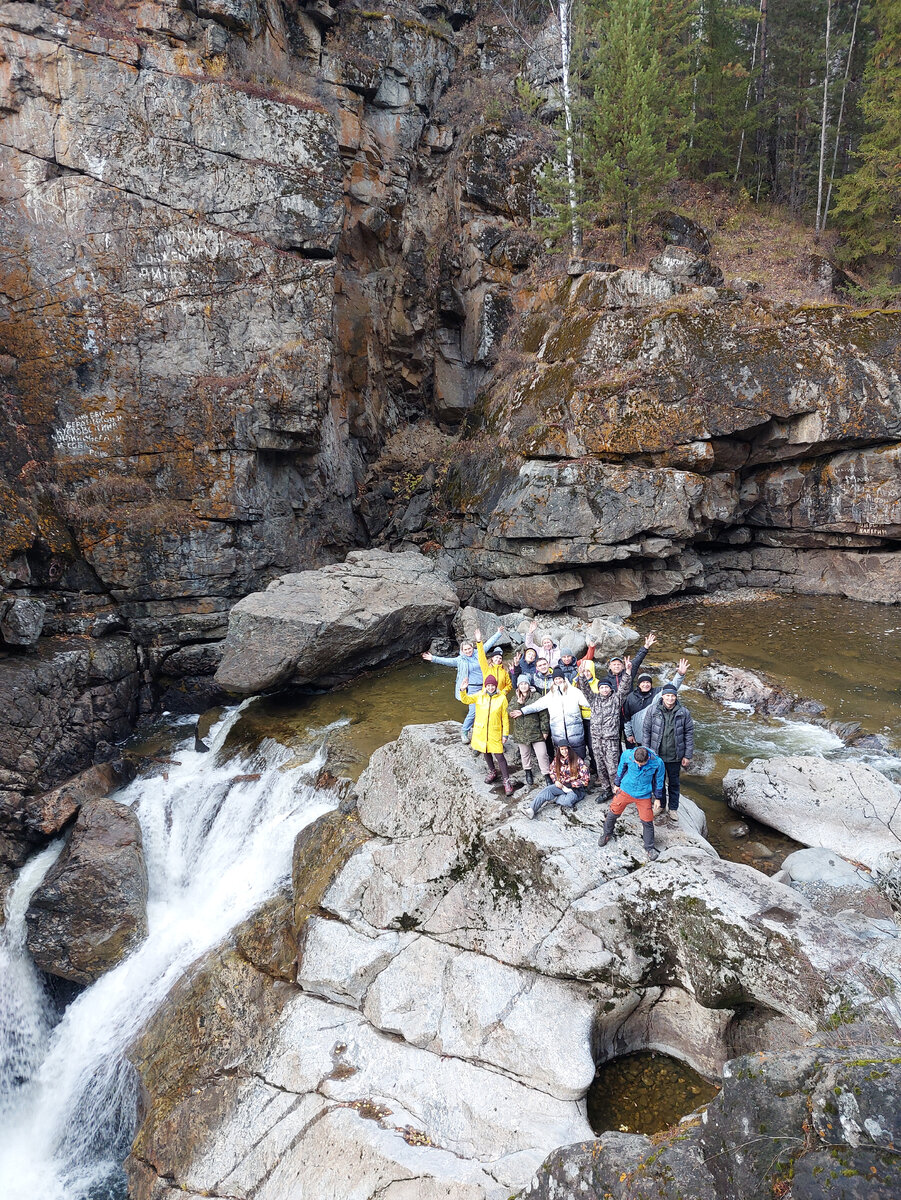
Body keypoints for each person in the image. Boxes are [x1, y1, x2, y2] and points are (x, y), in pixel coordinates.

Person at [423, 628, 503, 743]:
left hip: (485, 686)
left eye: (469, 648)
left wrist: (499, 633)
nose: (468, 651)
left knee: (489, 709)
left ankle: (485, 732)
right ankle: (465, 731)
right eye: (465, 650)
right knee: (474, 711)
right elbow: (447, 661)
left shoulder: (479, 653)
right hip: (471, 688)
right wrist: (433, 658)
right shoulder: (460, 660)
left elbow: (489, 643)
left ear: (472, 648)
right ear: (462, 650)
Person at [599, 745, 665, 861]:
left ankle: (649, 847)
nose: (639, 765)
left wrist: (658, 798)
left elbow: (659, 781)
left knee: (647, 821)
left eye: (642, 764)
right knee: (613, 813)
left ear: (648, 759)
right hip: (626, 789)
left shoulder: (658, 763)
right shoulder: (627, 755)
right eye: (637, 763)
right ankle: (606, 834)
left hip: (644, 794)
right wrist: (617, 784)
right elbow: (621, 769)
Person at [579, 667, 635, 803]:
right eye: (602, 687)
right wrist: (581, 676)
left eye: (606, 687)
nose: (604, 689)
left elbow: (624, 688)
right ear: (599, 689)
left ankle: (617, 789)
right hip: (597, 739)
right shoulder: (594, 700)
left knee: (612, 767)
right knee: (600, 766)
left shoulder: (616, 699)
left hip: (611, 740)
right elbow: (585, 689)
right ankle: (606, 790)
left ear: (610, 689)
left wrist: (627, 673)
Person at [641, 684, 694, 826]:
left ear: (676, 697)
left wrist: (687, 755)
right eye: (667, 695)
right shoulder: (653, 710)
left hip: (675, 755)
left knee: (674, 783)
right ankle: (661, 805)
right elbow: (646, 731)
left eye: (673, 696)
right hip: (656, 755)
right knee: (658, 782)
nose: (670, 698)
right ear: (663, 696)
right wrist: (646, 752)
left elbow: (689, 735)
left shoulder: (683, 712)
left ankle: (673, 808)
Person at [511, 666, 587, 760]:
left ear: (563, 678)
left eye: (560, 678)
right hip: (558, 734)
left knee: (579, 757)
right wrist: (522, 711)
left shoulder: (575, 692)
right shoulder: (551, 694)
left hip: (575, 732)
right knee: (562, 758)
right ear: (554, 680)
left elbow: (588, 703)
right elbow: (536, 706)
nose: (558, 681)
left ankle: (581, 773)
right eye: (556, 679)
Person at [459, 673, 514, 796]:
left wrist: (505, 734)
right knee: (485, 751)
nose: (490, 688)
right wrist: (463, 690)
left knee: (499, 756)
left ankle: (506, 781)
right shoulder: (479, 696)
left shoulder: (502, 698)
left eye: (492, 685)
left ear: (496, 686)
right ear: (485, 686)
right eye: (488, 686)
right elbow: (466, 700)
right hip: (481, 731)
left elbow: (505, 718)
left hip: (495, 732)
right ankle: (492, 771)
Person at [624, 659, 690, 747]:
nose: (645, 684)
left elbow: (672, 687)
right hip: (638, 736)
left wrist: (680, 675)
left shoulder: (657, 692)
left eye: (648, 682)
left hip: (655, 736)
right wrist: (629, 734)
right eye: (643, 682)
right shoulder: (631, 697)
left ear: (651, 684)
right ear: (639, 684)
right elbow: (626, 718)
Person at [511, 676, 552, 787]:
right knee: (525, 754)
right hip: (521, 733)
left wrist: (545, 730)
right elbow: (510, 713)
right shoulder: (515, 698)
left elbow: (544, 715)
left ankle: (546, 774)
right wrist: (519, 703)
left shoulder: (537, 696)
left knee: (542, 754)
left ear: (529, 685)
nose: (524, 686)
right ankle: (528, 771)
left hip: (536, 731)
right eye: (521, 684)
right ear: (518, 686)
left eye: (525, 683)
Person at [529, 744, 589, 818]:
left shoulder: (578, 760)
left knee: (568, 801)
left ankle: (556, 798)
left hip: (575, 789)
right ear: (559, 750)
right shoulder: (557, 760)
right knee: (547, 790)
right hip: (561, 785)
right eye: (562, 749)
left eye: (566, 749)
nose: (564, 751)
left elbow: (585, 779)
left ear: (569, 749)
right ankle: (531, 810)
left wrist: (570, 785)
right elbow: (552, 771)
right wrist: (556, 781)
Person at [475, 629, 513, 697]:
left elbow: (509, 685)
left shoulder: (504, 670)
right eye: (496, 657)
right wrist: (479, 642)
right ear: (492, 658)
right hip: (486, 696)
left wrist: (503, 692)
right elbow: (481, 656)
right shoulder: (486, 668)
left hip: (499, 697)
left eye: (500, 658)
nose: (498, 659)